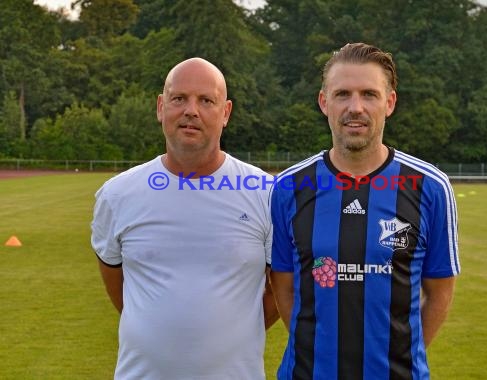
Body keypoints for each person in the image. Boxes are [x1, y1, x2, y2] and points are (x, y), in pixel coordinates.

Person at [270, 42, 460, 379]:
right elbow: (283, 287)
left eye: (369, 94)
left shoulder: (430, 186)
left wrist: (397, 358)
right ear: (323, 102)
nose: (355, 107)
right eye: (343, 94)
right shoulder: (288, 188)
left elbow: (440, 291)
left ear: (389, 103)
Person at [91, 57, 278, 379]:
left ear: (226, 113)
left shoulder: (267, 193)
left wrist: (230, 333)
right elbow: (118, 285)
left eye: (206, 100)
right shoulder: (118, 194)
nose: (191, 110)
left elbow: (280, 290)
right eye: (179, 99)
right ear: (161, 107)